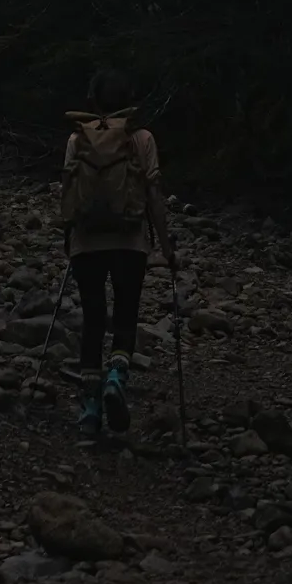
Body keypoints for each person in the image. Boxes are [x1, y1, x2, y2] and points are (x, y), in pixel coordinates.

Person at [61, 69, 170, 439]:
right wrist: (167, 247)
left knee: (93, 321)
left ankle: (90, 412)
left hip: (86, 242)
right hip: (130, 241)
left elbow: (68, 191)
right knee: (125, 316)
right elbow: (153, 195)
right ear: (130, 101)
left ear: (93, 101)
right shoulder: (142, 138)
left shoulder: (77, 139)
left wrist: (68, 236)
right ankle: (115, 379)